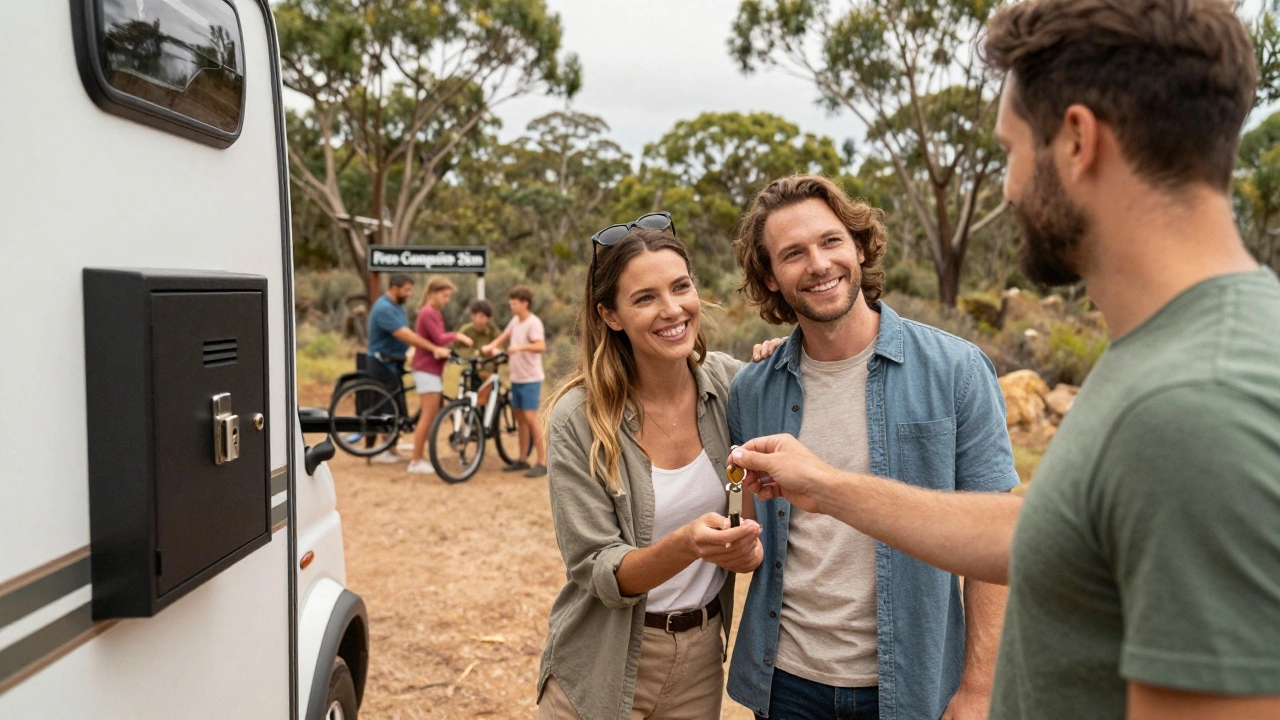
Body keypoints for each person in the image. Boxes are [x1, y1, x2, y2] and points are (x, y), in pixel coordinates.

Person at [728, 2, 1280, 719]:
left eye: (1011, 149)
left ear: (1077, 140)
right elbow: (1026, 534)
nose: (1010, 186)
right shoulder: (1166, 359)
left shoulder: (1194, 399)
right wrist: (827, 486)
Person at [724, 175, 1017, 720]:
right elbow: (747, 525)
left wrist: (979, 688)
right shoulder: (753, 389)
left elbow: (994, 547)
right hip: (786, 684)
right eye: (793, 254)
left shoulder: (957, 371)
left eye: (831, 241)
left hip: (915, 685)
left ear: (859, 246)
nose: (818, 264)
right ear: (770, 277)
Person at [536, 218, 765, 720]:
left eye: (681, 287)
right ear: (610, 315)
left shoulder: (732, 384)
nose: (672, 309)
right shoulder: (580, 418)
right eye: (644, 298)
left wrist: (779, 361)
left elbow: (760, 490)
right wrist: (686, 546)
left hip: (701, 659)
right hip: (602, 661)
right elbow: (598, 567)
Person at [366, 273, 452, 463]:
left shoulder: (399, 307)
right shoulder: (384, 308)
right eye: (406, 290)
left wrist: (412, 350)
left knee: (397, 405)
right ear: (394, 288)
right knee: (387, 406)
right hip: (381, 361)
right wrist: (432, 348)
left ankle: (391, 448)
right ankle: (384, 448)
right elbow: (405, 334)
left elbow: (409, 334)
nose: (409, 293)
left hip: (395, 361)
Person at [407, 277, 473, 475]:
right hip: (426, 370)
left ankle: (420, 456)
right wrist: (458, 336)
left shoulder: (433, 313)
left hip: (432, 370)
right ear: (433, 293)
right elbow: (439, 338)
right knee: (427, 416)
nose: (447, 300)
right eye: (444, 296)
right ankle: (415, 460)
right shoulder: (428, 312)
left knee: (430, 415)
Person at [482, 286, 549, 477]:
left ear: (525, 303)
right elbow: (503, 337)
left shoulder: (533, 323)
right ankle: (521, 459)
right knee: (520, 418)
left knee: (530, 418)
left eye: (514, 303)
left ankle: (542, 461)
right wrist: (490, 347)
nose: (511, 306)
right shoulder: (515, 321)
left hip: (530, 379)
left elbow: (540, 346)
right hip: (516, 378)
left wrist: (519, 348)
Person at [452, 299, 503, 409]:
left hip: (488, 368)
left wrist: (495, 351)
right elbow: (456, 349)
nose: (477, 319)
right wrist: (474, 353)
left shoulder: (492, 331)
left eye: (481, 316)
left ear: (488, 318)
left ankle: (485, 403)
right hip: (471, 367)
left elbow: (501, 346)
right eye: (475, 316)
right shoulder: (466, 330)